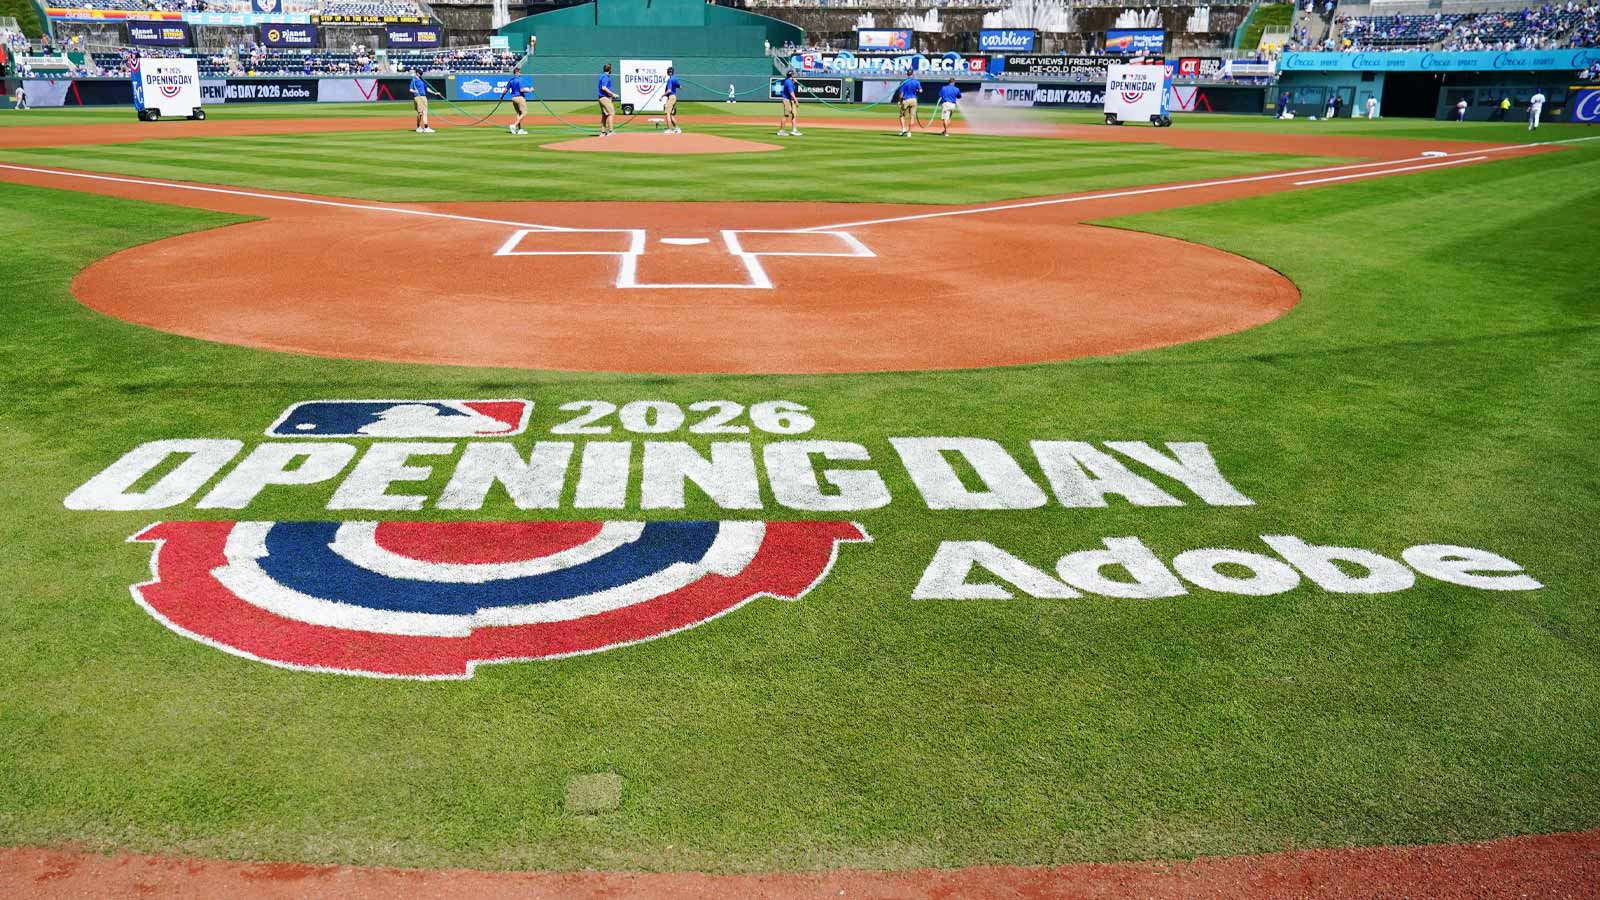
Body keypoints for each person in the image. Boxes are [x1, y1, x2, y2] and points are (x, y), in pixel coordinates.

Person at [505, 70, 532, 135]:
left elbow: (505, 90)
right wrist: (530, 90)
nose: (520, 73)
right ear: (516, 73)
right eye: (519, 72)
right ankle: (514, 125)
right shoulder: (519, 80)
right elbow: (521, 90)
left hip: (513, 98)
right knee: (524, 113)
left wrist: (501, 96)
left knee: (519, 113)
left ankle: (519, 130)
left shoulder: (511, 80)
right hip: (520, 98)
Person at [776, 71, 800, 136]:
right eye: (793, 74)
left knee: (794, 114)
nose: (794, 75)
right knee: (786, 115)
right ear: (792, 75)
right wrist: (796, 100)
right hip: (787, 100)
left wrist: (794, 82)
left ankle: (794, 130)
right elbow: (791, 92)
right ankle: (781, 131)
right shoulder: (788, 82)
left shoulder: (790, 81)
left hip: (791, 100)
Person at [597, 63, 618, 136]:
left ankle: (602, 132)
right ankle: (610, 131)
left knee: (605, 115)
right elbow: (604, 87)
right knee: (611, 113)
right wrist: (613, 94)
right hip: (604, 98)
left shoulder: (602, 76)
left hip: (601, 98)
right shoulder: (605, 77)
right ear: (609, 69)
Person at [663, 66, 681, 134]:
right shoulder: (675, 79)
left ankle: (669, 129)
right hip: (674, 97)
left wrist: (662, 95)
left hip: (671, 97)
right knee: (670, 114)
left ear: (669, 72)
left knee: (667, 113)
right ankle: (677, 128)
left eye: (668, 71)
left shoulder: (670, 80)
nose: (667, 72)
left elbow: (669, 90)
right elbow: (680, 86)